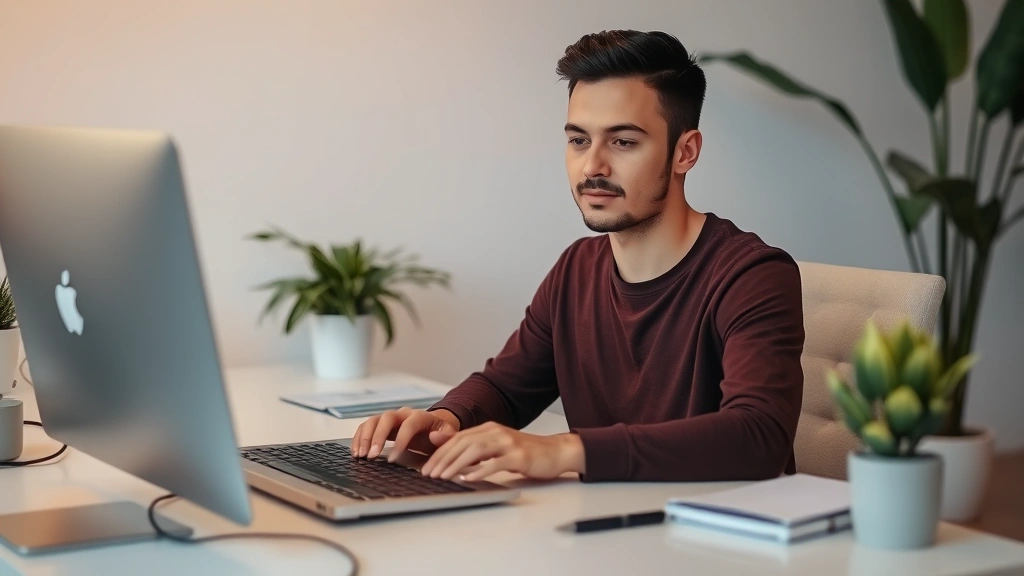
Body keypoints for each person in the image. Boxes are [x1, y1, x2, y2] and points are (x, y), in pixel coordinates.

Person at [351, 30, 805, 483]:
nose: (592, 167)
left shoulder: (752, 275)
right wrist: (447, 418)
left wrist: (568, 450)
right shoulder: (576, 269)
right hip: (600, 533)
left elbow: (758, 438)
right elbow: (506, 388)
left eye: (623, 142)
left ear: (685, 152)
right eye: (579, 140)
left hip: (723, 541)